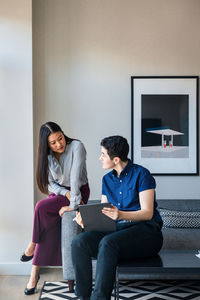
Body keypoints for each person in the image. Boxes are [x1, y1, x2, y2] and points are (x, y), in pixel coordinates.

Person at [72, 135, 163, 300]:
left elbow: (147, 212)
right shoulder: (107, 180)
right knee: (79, 242)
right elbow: (103, 213)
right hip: (118, 231)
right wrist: (87, 220)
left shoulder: (142, 174)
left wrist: (120, 214)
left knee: (108, 243)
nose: (100, 158)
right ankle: (83, 297)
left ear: (115, 159)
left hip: (147, 232)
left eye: (103, 155)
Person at [20, 121, 90, 295]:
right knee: (47, 228)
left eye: (60, 138)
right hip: (60, 195)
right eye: (53, 142)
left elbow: (75, 179)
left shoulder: (77, 146)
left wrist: (73, 204)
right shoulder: (47, 156)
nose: (59, 144)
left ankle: (32, 245)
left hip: (78, 192)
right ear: (46, 144)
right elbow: (50, 184)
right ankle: (34, 274)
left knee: (40, 206)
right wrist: (63, 194)